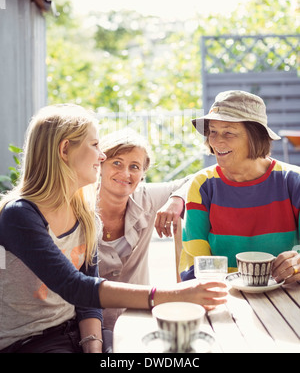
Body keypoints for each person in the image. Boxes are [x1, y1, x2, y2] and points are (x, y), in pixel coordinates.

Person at [0, 104, 227, 353]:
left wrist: (94, 345)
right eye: (95, 145)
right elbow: (75, 286)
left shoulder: (84, 213)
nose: (101, 156)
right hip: (31, 342)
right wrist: (173, 294)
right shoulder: (19, 214)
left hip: (78, 333)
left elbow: (86, 300)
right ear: (65, 149)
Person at [180, 90, 300, 285]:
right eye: (212, 131)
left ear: (256, 137)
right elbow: (196, 265)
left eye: (228, 132)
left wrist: (297, 264)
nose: (217, 141)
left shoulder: (293, 181)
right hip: (223, 293)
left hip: (286, 293)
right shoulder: (202, 185)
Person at [97, 128, 193, 330]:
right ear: (100, 165)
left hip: (136, 320)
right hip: (85, 325)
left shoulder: (146, 198)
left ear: (142, 174)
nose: (125, 173)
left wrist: (176, 200)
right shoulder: (77, 206)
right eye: (117, 163)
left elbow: (193, 180)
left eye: (134, 166)